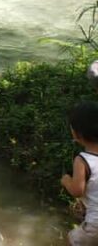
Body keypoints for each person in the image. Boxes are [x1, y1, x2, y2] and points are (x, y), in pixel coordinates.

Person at [61, 101, 98, 245]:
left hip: (96, 225)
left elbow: (76, 191)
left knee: (71, 239)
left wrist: (66, 180)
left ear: (77, 133)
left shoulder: (82, 160)